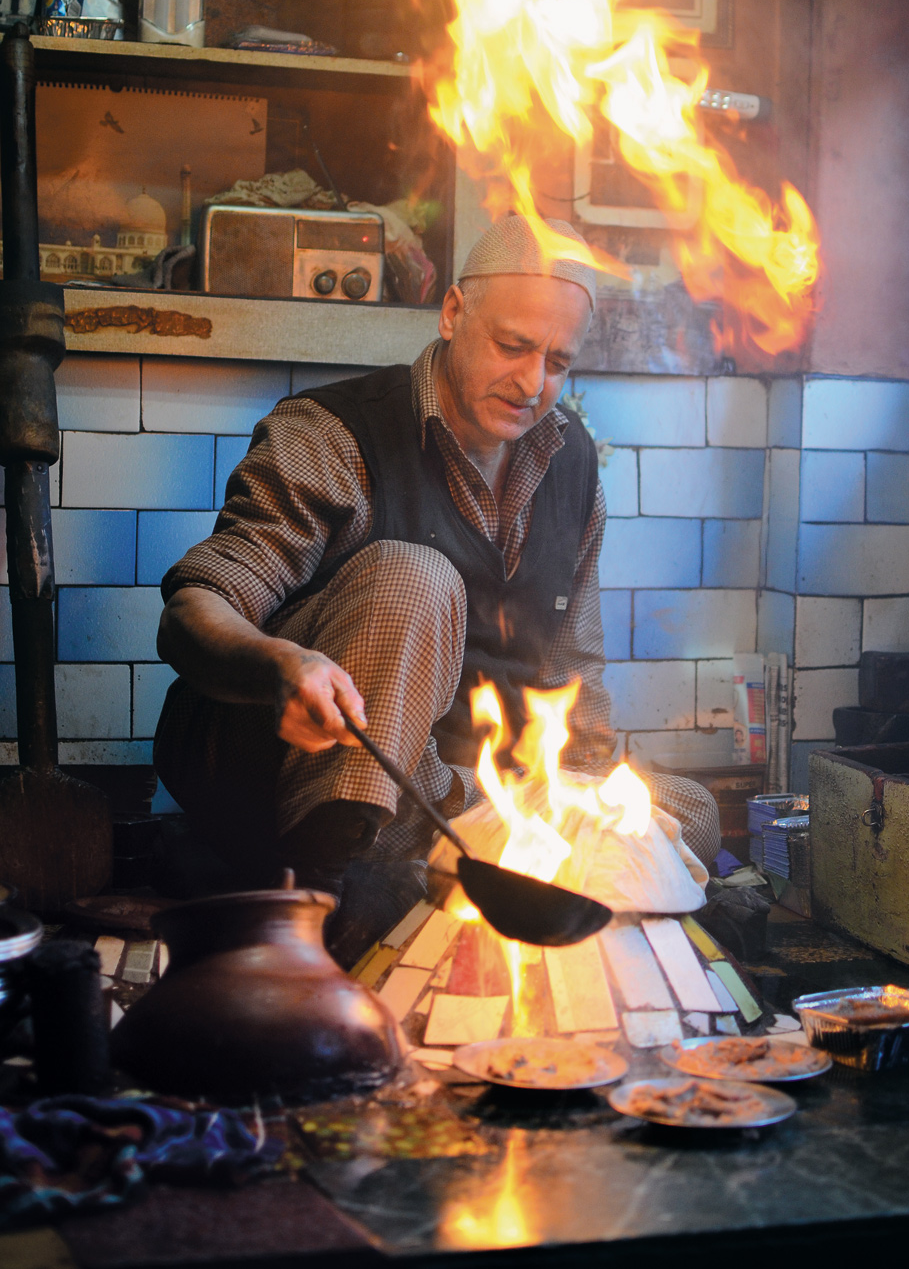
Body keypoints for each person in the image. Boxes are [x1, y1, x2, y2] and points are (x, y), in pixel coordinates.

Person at [154, 215, 720, 959]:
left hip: (457, 793)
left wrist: (593, 810)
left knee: (686, 811)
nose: (531, 383)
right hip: (283, 772)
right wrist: (279, 669)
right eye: (512, 346)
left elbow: (572, 677)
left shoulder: (572, 466)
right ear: (453, 312)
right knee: (414, 575)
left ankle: (455, 878)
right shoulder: (335, 434)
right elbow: (196, 608)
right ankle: (342, 903)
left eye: (558, 361)